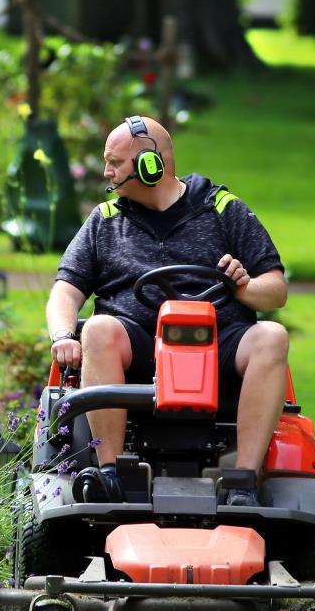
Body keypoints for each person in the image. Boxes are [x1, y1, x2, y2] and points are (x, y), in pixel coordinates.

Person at [45, 115, 289, 507]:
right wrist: (62, 335)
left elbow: (275, 291)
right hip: (137, 353)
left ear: (150, 164)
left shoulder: (224, 210)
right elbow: (64, 292)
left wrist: (244, 288)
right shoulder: (105, 221)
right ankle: (111, 475)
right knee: (97, 329)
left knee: (272, 337)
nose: (106, 172)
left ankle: (244, 478)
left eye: (114, 162)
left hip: (218, 348)